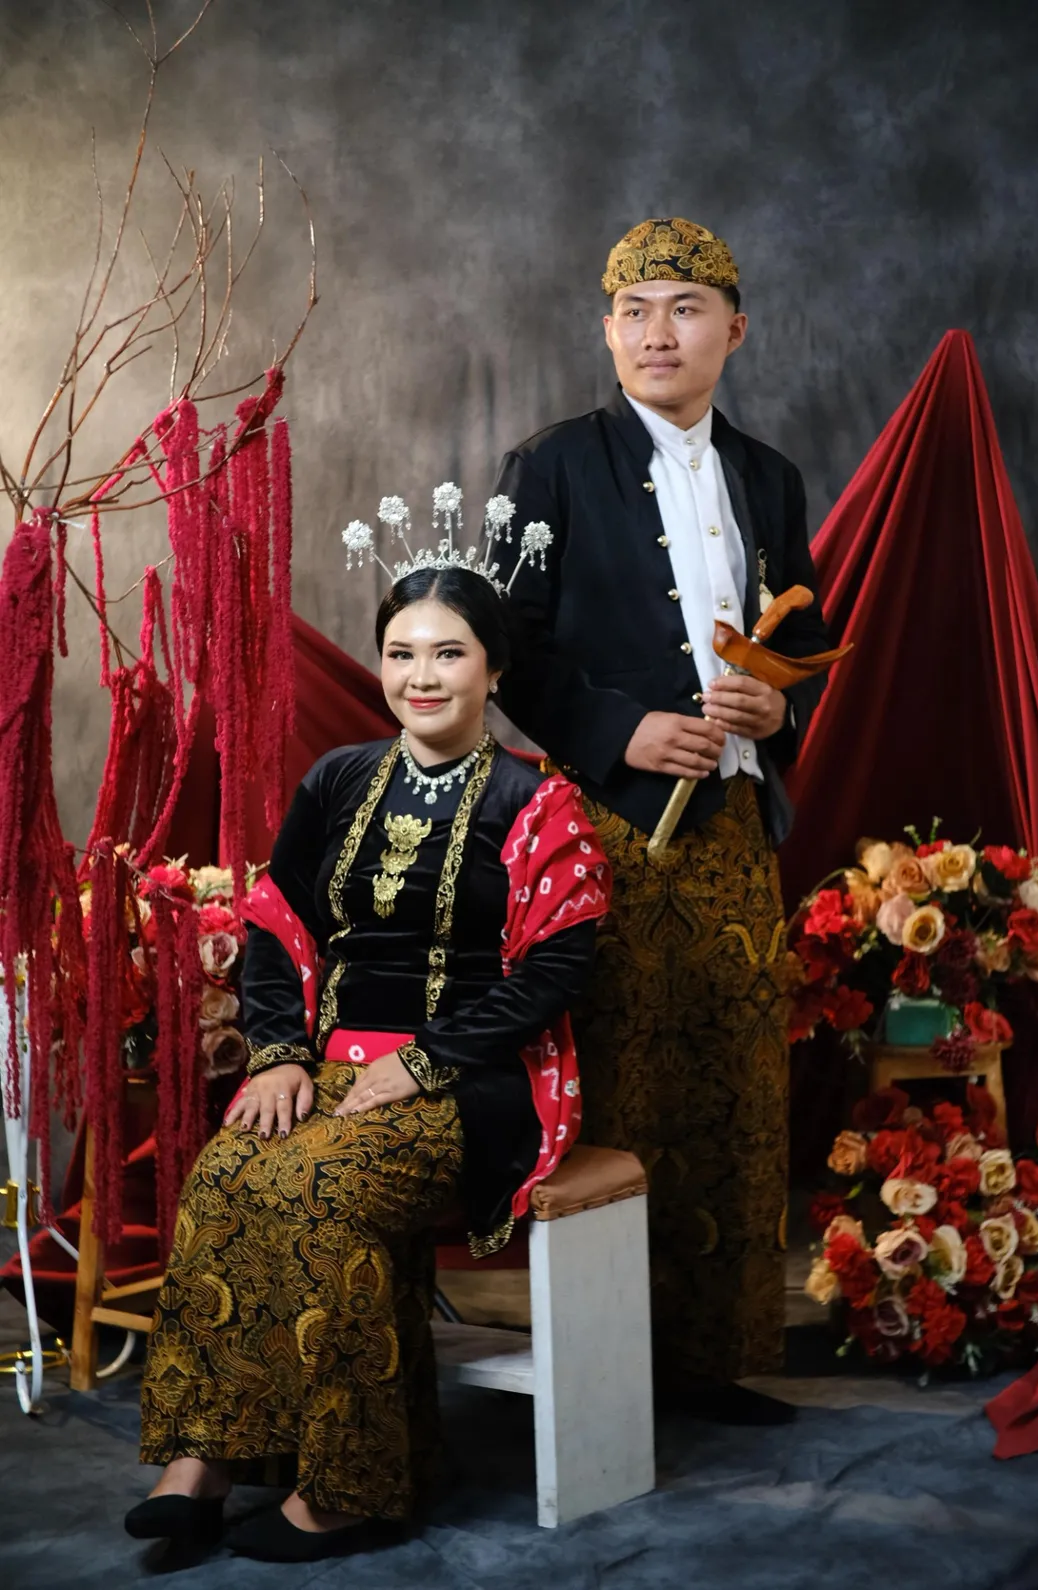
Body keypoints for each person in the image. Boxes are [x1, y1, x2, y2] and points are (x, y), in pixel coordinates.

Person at [125, 545, 610, 1563]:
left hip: (474, 1082)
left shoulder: (537, 804)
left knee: (324, 1191)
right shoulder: (338, 779)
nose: (420, 677)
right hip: (325, 1066)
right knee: (226, 1175)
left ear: (494, 669)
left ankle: (354, 1486)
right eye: (401, 653)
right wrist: (276, 1054)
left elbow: (555, 972)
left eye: (448, 654)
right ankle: (207, 1458)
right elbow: (276, 924)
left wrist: (425, 1062)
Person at [486, 217, 831, 1424]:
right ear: (606, 331)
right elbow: (503, 650)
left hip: (733, 831)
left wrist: (777, 705)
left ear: (734, 329)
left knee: (733, 1088)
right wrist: (617, 732)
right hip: (602, 828)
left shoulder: (770, 477)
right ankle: (606, 1370)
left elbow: (801, 638)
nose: (656, 333)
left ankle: (708, 1361)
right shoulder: (547, 465)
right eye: (633, 312)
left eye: (683, 308)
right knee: (617, 1086)